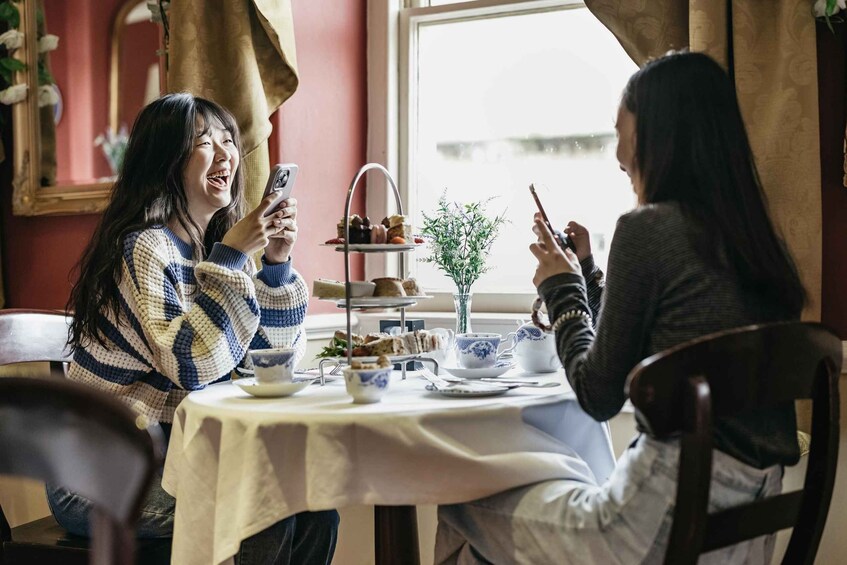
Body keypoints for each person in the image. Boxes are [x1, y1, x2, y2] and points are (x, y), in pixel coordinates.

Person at [435, 51, 806, 564]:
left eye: (619, 130)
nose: (617, 154)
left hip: (654, 519)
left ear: (657, 132)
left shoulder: (647, 229)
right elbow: (652, 343)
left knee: (463, 500)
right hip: (736, 536)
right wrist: (586, 272)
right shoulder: (752, 243)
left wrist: (562, 289)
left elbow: (598, 393)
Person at [52, 93, 339, 564]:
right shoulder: (148, 248)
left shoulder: (211, 254)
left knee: (315, 508)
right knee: (265, 511)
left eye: (228, 140)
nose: (226, 152)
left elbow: (267, 362)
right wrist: (231, 257)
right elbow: (190, 364)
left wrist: (276, 266)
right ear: (165, 161)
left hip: (176, 464)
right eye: (204, 141)